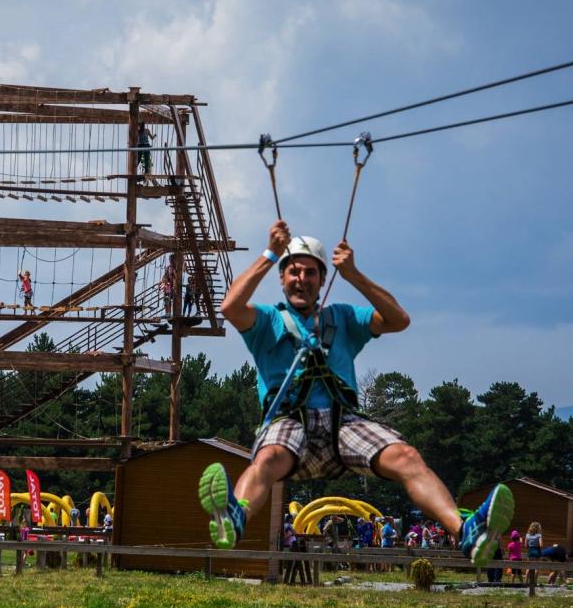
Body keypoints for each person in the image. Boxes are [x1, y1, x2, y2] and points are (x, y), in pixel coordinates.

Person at [197, 221, 514, 569]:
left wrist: (353, 275)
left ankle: (465, 530)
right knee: (268, 457)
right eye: (293, 272)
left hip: (343, 423)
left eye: (310, 273)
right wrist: (270, 253)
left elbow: (398, 319)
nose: (301, 279)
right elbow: (230, 307)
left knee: (407, 457)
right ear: (282, 277)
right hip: (291, 424)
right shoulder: (267, 321)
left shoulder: (343, 318)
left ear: (321, 280)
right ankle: (234, 517)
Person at [525, 521, 543, 587]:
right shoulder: (539, 535)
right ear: (538, 528)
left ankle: (526, 581)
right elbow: (541, 545)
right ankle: (534, 582)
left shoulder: (527, 535)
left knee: (528, 568)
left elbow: (525, 545)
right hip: (537, 551)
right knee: (536, 568)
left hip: (530, 551)